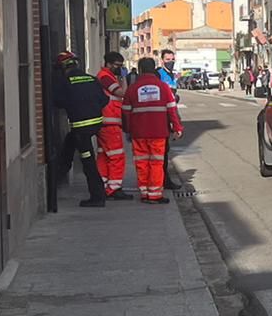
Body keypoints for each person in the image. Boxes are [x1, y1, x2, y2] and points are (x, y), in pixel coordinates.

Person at [122, 57, 182, 204]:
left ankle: (144, 192)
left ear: (140, 70)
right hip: (158, 133)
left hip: (139, 133)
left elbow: (125, 112)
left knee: (141, 163)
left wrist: (128, 130)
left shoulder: (132, 89)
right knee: (156, 163)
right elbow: (172, 110)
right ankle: (154, 194)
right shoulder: (163, 87)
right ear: (154, 69)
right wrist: (177, 127)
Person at [52, 51, 109, 207]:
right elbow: (104, 100)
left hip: (81, 128)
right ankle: (56, 180)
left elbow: (57, 102)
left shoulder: (65, 82)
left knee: (88, 162)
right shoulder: (91, 79)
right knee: (68, 148)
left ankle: (98, 197)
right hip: (96, 124)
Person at [94, 51, 133, 200]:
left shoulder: (106, 76)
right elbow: (122, 93)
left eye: (121, 66)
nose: (119, 68)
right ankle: (114, 188)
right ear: (109, 64)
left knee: (104, 156)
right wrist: (124, 78)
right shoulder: (105, 77)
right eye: (117, 66)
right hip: (110, 122)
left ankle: (103, 185)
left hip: (105, 122)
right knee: (117, 156)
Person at [157, 50, 183, 191]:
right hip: (162, 115)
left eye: (172, 59)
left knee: (165, 150)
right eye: (168, 59)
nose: (171, 62)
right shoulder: (159, 74)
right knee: (161, 151)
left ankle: (164, 178)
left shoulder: (172, 75)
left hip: (170, 113)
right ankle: (162, 179)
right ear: (162, 60)